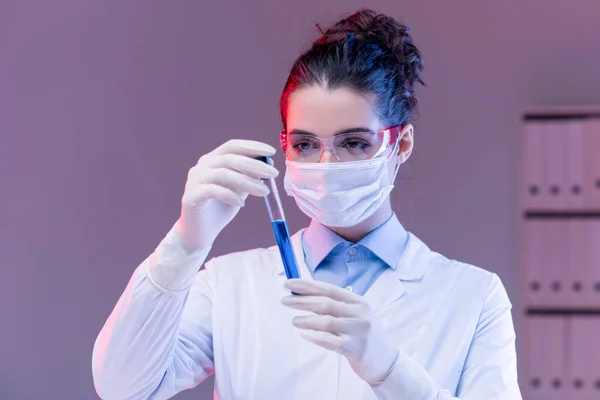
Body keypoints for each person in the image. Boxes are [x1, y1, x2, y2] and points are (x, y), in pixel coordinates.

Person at [92, 9, 522, 400]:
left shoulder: (473, 297)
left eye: (354, 143)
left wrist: (390, 369)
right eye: (305, 144)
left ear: (401, 143)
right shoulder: (229, 285)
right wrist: (186, 243)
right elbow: (124, 387)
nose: (326, 163)